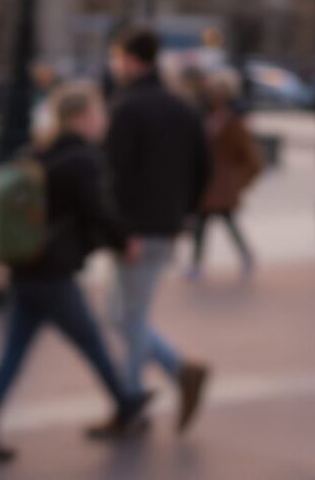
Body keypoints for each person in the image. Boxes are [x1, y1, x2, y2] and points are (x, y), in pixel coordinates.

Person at [0, 83, 152, 463]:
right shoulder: (82, 159)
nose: (104, 121)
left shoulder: (36, 151)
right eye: (99, 113)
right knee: (92, 342)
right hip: (52, 273)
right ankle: (125, 401)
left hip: (26, 269)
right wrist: (123, 241)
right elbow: (95, 209)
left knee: (12, 357)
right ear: (82, 117)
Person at [102, 28, 212, 433]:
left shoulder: (128, 107)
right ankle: (180, 370)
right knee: (119, 315)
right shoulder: (181, 107)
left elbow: (114, 174)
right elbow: (204, 167)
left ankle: (131, 401)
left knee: (129, 318)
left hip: (135, 229)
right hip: (164, 225)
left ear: (131, 59)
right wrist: (186, 213)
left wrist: (118, 227)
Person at [188, 75, 263, 279]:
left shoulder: (232, 122)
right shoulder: (205, 119)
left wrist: (240, 180)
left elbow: (249, 156)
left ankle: (242, 255)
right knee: (207, 224)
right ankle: (198, 263)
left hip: (222, 182)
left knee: (223, 221)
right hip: (210, 181)